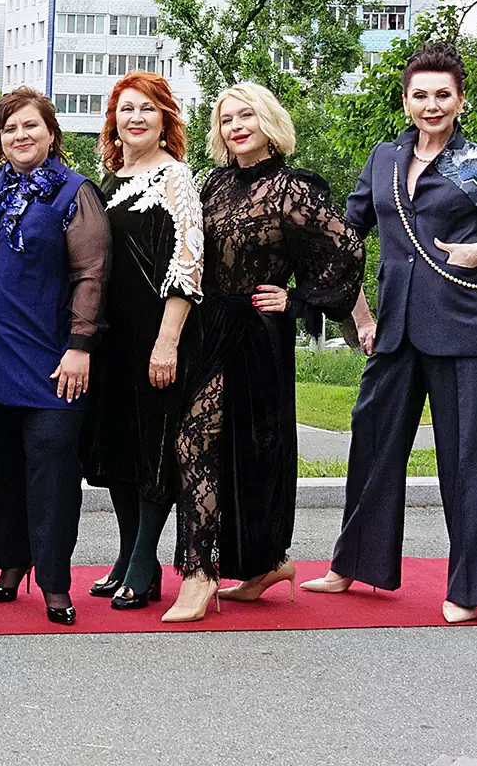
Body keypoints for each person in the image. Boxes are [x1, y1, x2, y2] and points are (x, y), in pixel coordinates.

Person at [302, 43, 477, 623]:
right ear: (406, 101)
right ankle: (352, 564)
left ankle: (470, 588)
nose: (432, 104)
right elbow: (345, 244)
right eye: (421, 95)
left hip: (466, 332)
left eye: (443, 94)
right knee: (371, 441)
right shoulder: (383, 160)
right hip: (394, 333)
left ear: (460, 101)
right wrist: (361, 319)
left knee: (468, 460)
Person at [179, 81, 365, 618]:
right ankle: (242, 566)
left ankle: (222, 570)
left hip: (259, 334)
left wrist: (299, 299)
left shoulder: (292, 188)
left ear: (269, 123)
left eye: (247, 116)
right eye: (226, 119)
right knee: (201, 442)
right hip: (211, 327)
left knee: (253, 450)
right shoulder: (214, 184)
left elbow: (346, 248)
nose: (236, 127)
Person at [0, 88, 110, 626]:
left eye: (30, 126)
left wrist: (80, 346)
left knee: (52, 471)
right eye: (9, 129)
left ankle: (54, 582)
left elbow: (91, 274)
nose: (20, 136)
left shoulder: (75, 192)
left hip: (54, 360)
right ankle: (11, 563)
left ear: (51, 133)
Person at [81, 71, 203, 614]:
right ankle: (130, 555)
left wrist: (167, 341)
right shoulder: (109, 180)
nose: (136, 118)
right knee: (119, 445)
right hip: (112, 336)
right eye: (126, 108)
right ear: (113, 120)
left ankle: (143, 562)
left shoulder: (175, 176)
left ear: (165, 120)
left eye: (147, 109)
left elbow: (188, 261)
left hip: (157, 333)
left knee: (154, 447)